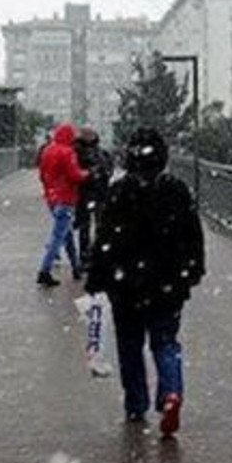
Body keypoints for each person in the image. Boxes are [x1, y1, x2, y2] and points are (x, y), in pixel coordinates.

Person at [85, 127, 205, 435]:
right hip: (168, 283)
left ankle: (135, 405)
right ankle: (171, 391)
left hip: (126, 287)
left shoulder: (118, 192)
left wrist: (97, 277)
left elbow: (104, 240)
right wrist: (192, 271)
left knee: (130, 345)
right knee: (166, 342)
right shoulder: (177, 190)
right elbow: (193, 235)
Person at [36, 123, 89, 286]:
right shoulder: (68, 152)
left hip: (52, 198)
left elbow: (42, 175)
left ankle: (76, 267)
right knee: (58, 236)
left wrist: (49, 191)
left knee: (66, 234)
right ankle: (44, 270)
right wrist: (88, 173)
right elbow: (75, 176)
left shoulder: (47, 150)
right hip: (66, 198)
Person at [73, 126, 113, 269]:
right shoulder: (77, 151)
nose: (90, 136)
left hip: (100, 193)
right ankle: (85, 256)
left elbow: (108, 168)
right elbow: (75, 173)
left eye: (91, 134)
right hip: (85, 194)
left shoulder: (101, 152)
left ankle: (97, 254)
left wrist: (103, 173)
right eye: (86, 134)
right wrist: (92, 173)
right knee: (85, 226)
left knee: (100, 225)